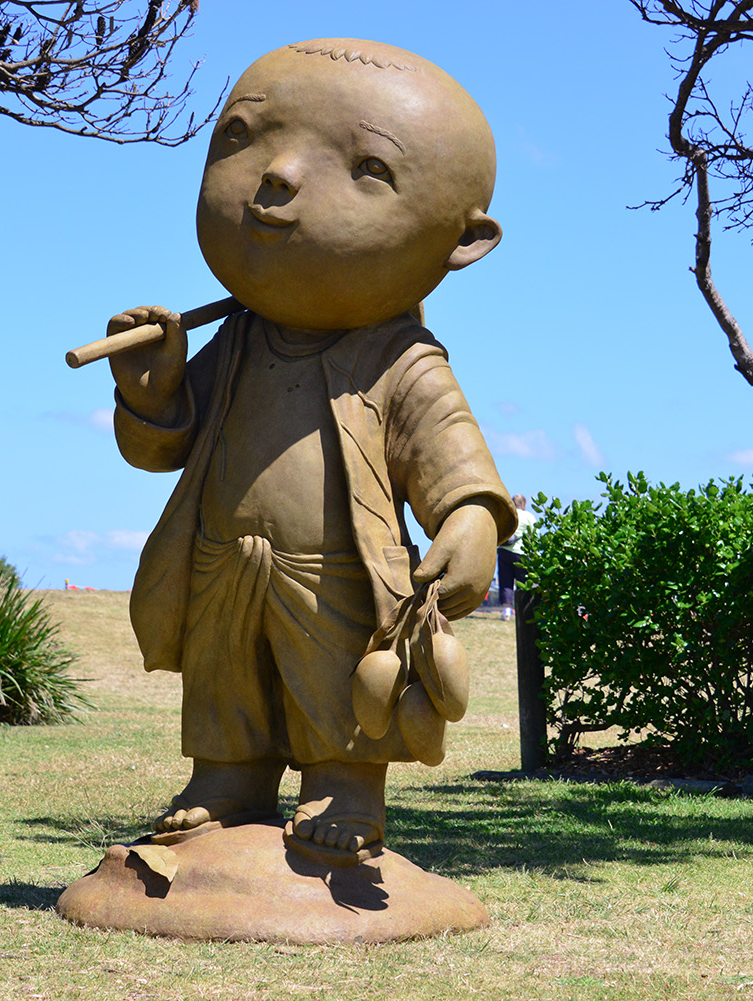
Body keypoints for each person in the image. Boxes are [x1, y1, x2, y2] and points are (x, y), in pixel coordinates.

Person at [104, 38, 513, 866]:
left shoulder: (401, 361)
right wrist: (152, 395)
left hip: (337, 576)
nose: (280, 173)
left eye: (367, 168)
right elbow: (164, 449)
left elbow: (454, 460)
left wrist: (470, 521)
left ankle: (346, 785)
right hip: (223, 557)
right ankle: (227, 777)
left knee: (341, 689)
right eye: (243, 136)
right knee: (224, 678)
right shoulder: (240, 339)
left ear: (462, 242)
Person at [497, 494, 537, 621]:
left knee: (505, 581)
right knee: (523, 582)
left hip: (504, 551)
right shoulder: (528, 516)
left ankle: (507, 612)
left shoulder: (506, 515)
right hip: (521, 553)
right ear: (523, 505)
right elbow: (534, 535)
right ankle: (523, 611)